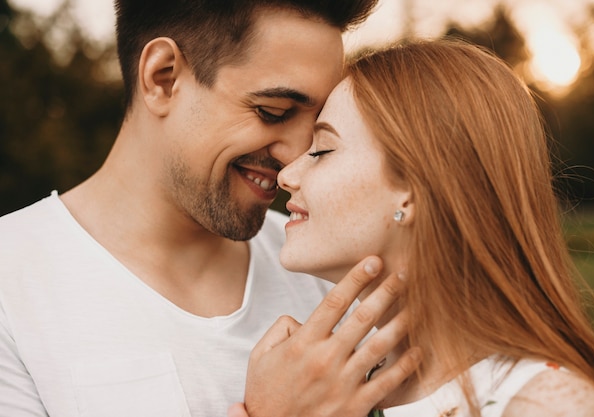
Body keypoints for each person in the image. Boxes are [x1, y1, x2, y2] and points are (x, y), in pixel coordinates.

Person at [0, 1, 419, 416]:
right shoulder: (12, 281)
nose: (297, 156)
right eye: (273, 112)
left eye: (318, 127)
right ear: (161, 77)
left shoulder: (334, 271)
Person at [233, 40, 594, 417]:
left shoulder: (546, 405)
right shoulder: (327, 385)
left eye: (320, 150)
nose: (287, 174)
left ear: (414, 190)